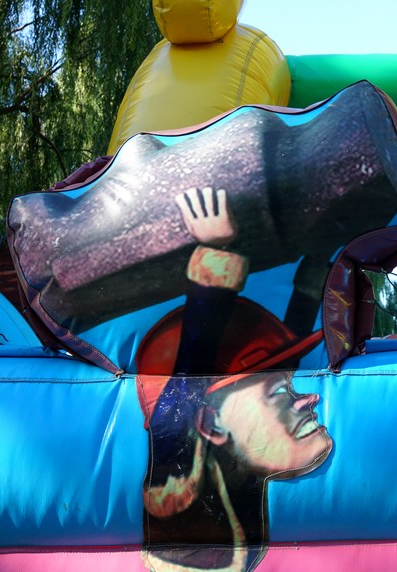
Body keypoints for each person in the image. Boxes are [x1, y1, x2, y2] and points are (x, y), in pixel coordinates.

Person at [137, 186, 332, 572]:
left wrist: (319, 264)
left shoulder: (232, 471)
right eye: (282, 393)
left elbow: (278, 363)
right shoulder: (175, 482)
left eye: (287, 391)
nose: (310, 399)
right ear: (208, 423)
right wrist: (216, 254)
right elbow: (190, 377)